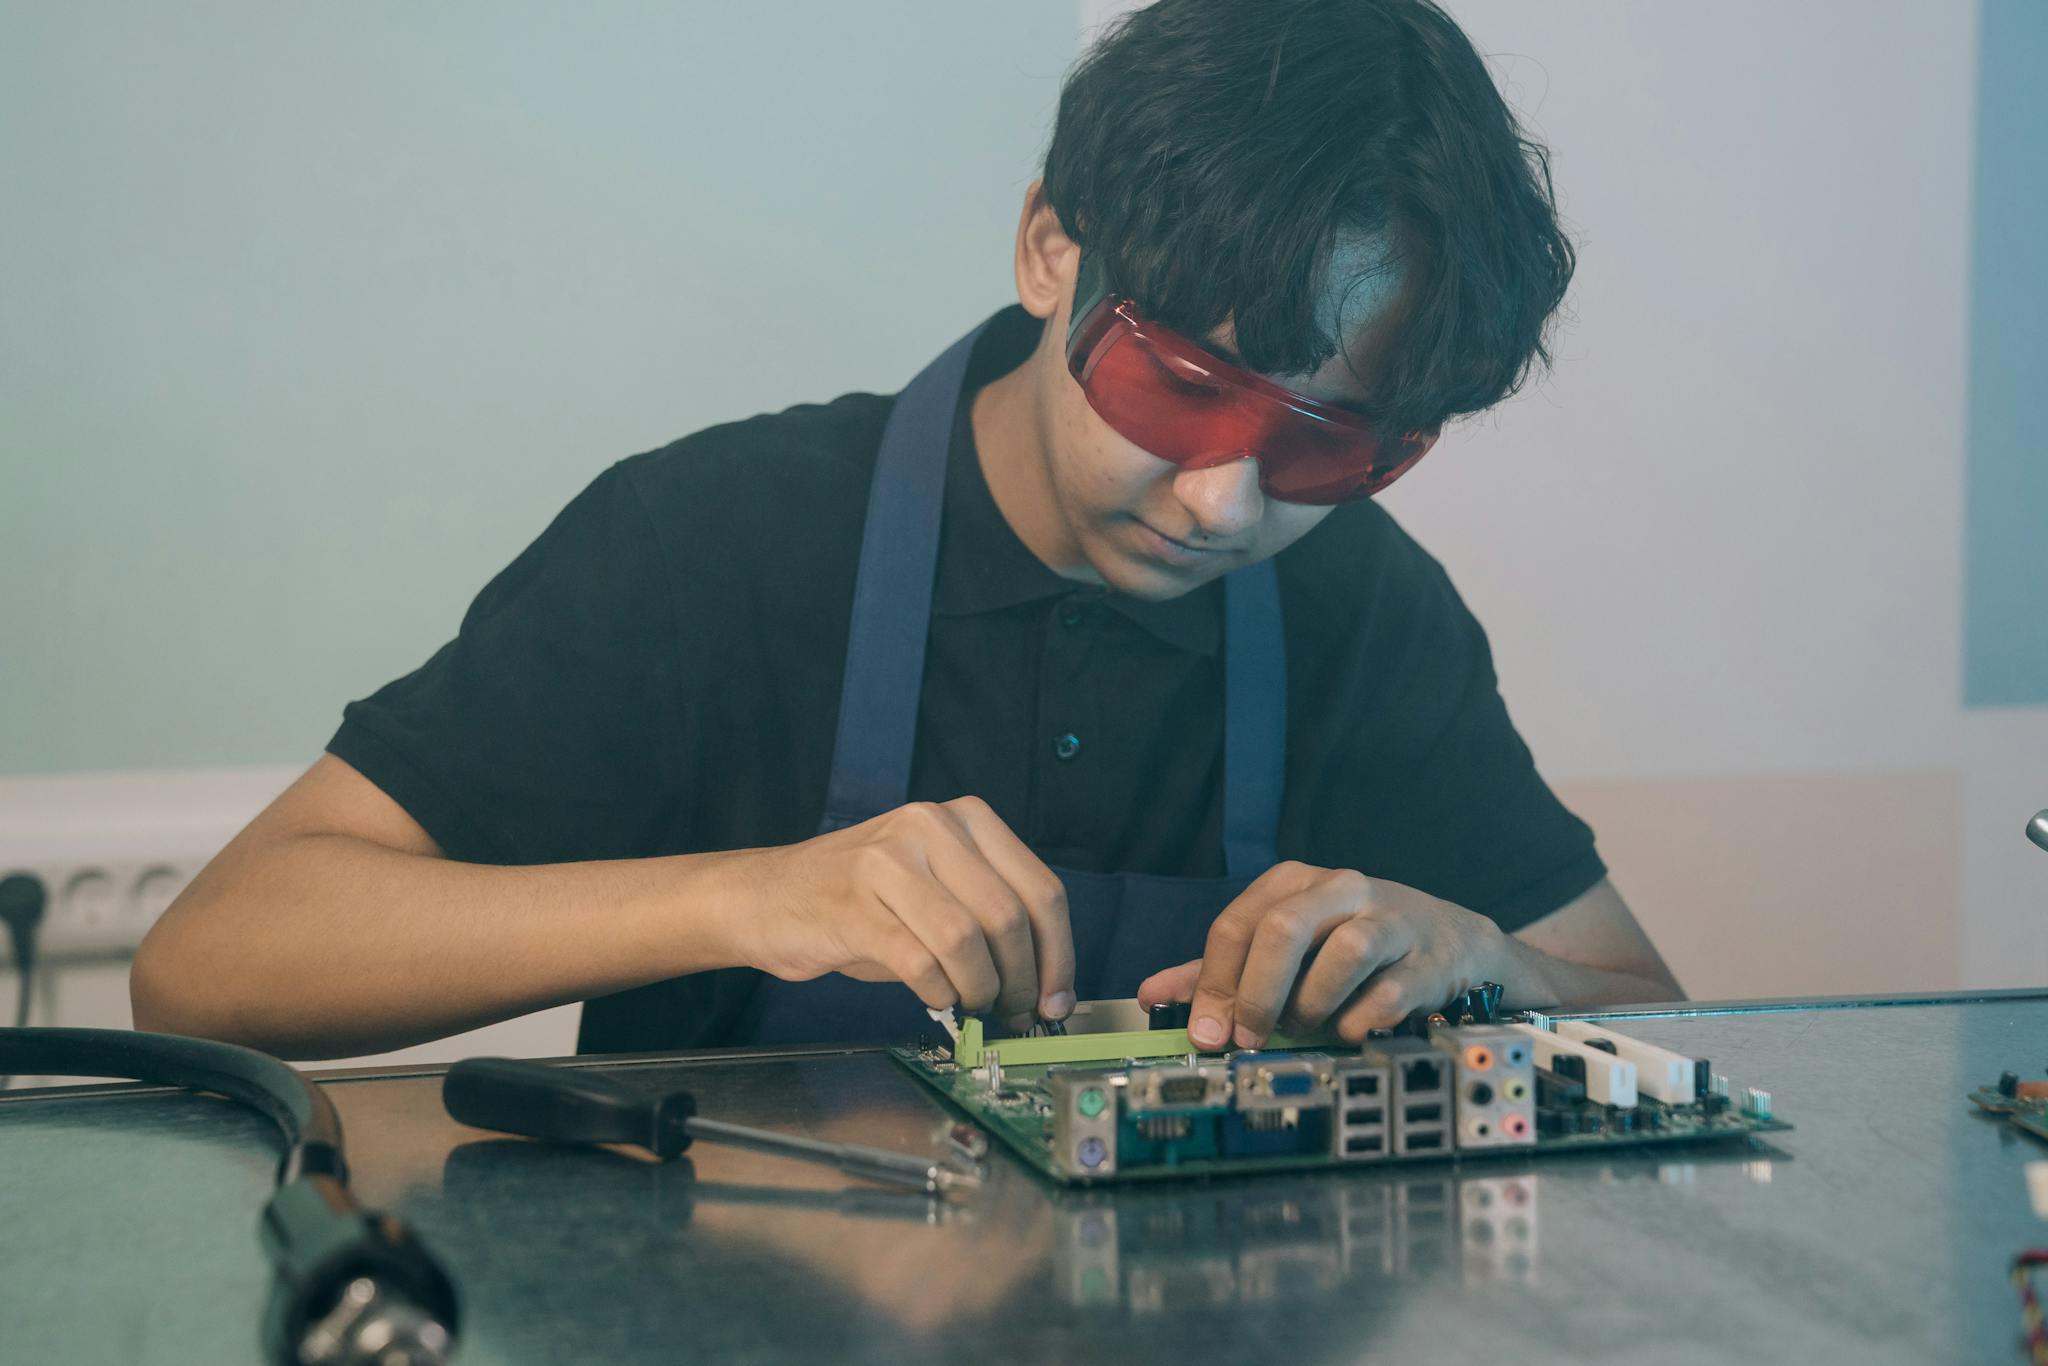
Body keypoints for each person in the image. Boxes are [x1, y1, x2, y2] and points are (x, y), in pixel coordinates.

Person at [131, 0, 1681, 1061]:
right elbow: (206, 964)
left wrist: (1488, 959)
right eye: (1180, 389)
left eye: (1327, 446)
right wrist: (748, 893)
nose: (1226, 502)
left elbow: (1652, 1007)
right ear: (1046, 250)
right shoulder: (714, 544)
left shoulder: (1364, 613)